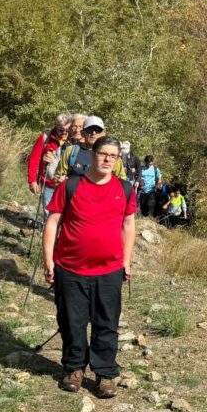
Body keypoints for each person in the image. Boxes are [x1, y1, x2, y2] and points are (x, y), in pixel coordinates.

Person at [42, 136, 137, 398]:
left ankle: (105, 374)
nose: (107, 159)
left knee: (106, 323)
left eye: (113, 156)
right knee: (72, 322)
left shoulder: (125, 189)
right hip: (70, 268)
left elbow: (129, 225)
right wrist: (48, 259)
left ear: (117, 160)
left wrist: (126, 259)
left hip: (109, 270)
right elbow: (53, 222)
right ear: (93, 154)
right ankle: (74, 368)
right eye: (103, 153)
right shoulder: (71, 185)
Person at [56, 116, 125, 180]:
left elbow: (122, 181)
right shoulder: (71, 151)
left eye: (98, 130)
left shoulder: (112, 154)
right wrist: (60, 180)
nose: (93, 133)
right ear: (83, 132)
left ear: (104, 133)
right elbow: (58, 176)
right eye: (89, 129)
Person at [27, 113, 71, 210]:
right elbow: (34, 158)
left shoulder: (72, 139)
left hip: (66, 184)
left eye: (67, 130)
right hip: (48, 183)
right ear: (56, 126)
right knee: (48, 212)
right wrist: (32, 180)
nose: (64, 133)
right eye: (61, 130)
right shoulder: (46, 137)